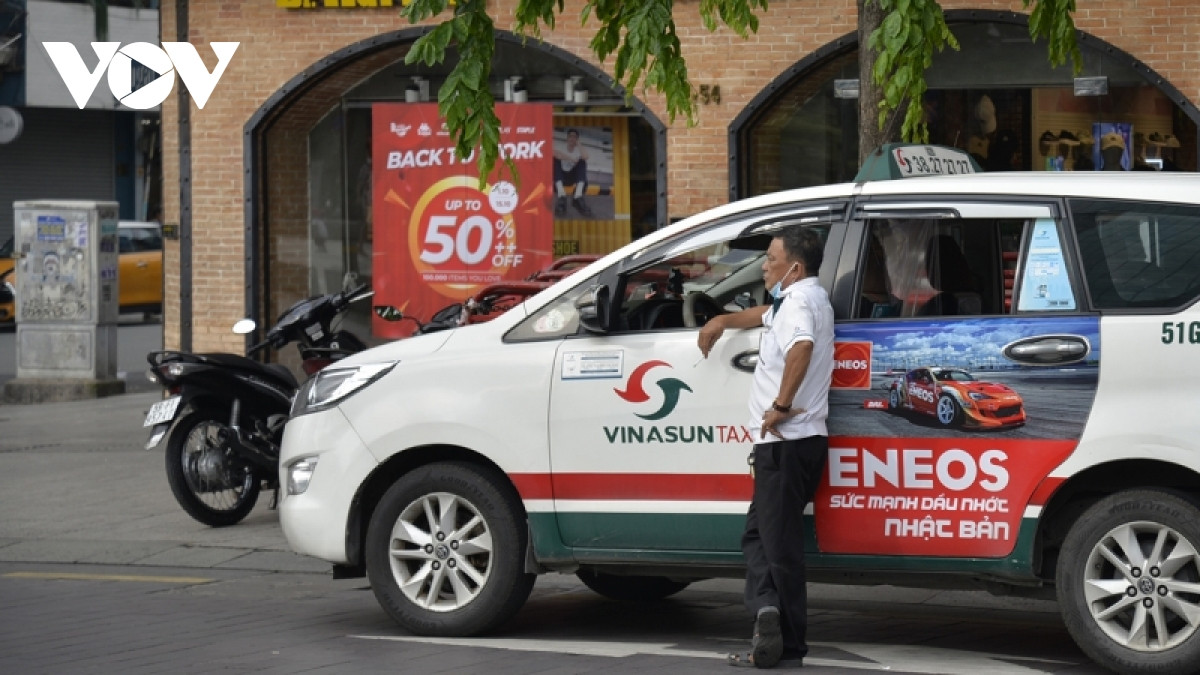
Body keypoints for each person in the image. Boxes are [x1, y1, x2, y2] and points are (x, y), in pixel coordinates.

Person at [697, 225, 835, 669]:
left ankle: (786, 642)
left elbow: (802, 347)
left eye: (771, 260)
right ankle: (766, 613)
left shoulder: (796, 302)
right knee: (759, 536)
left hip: (785, 442)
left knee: (779, 550)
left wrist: (780, 405)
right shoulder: (804, 297)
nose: (763, 265)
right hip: (796, 444)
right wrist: (722, 319)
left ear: (793, 267)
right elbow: (766, 315)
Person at [553, 128, 593, 217]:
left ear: (577, 139)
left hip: (573, 178)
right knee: (555, 160)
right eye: (570, 136)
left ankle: (577, 196)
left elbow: (586, 156)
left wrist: (579, 144)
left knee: (582, 161)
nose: (572, 138)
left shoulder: (579, 149)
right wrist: (570, 158)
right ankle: (561, 196)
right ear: (567, 138)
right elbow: (556, 154)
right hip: (561, 177)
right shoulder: (561, 146)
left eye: (574, 137)